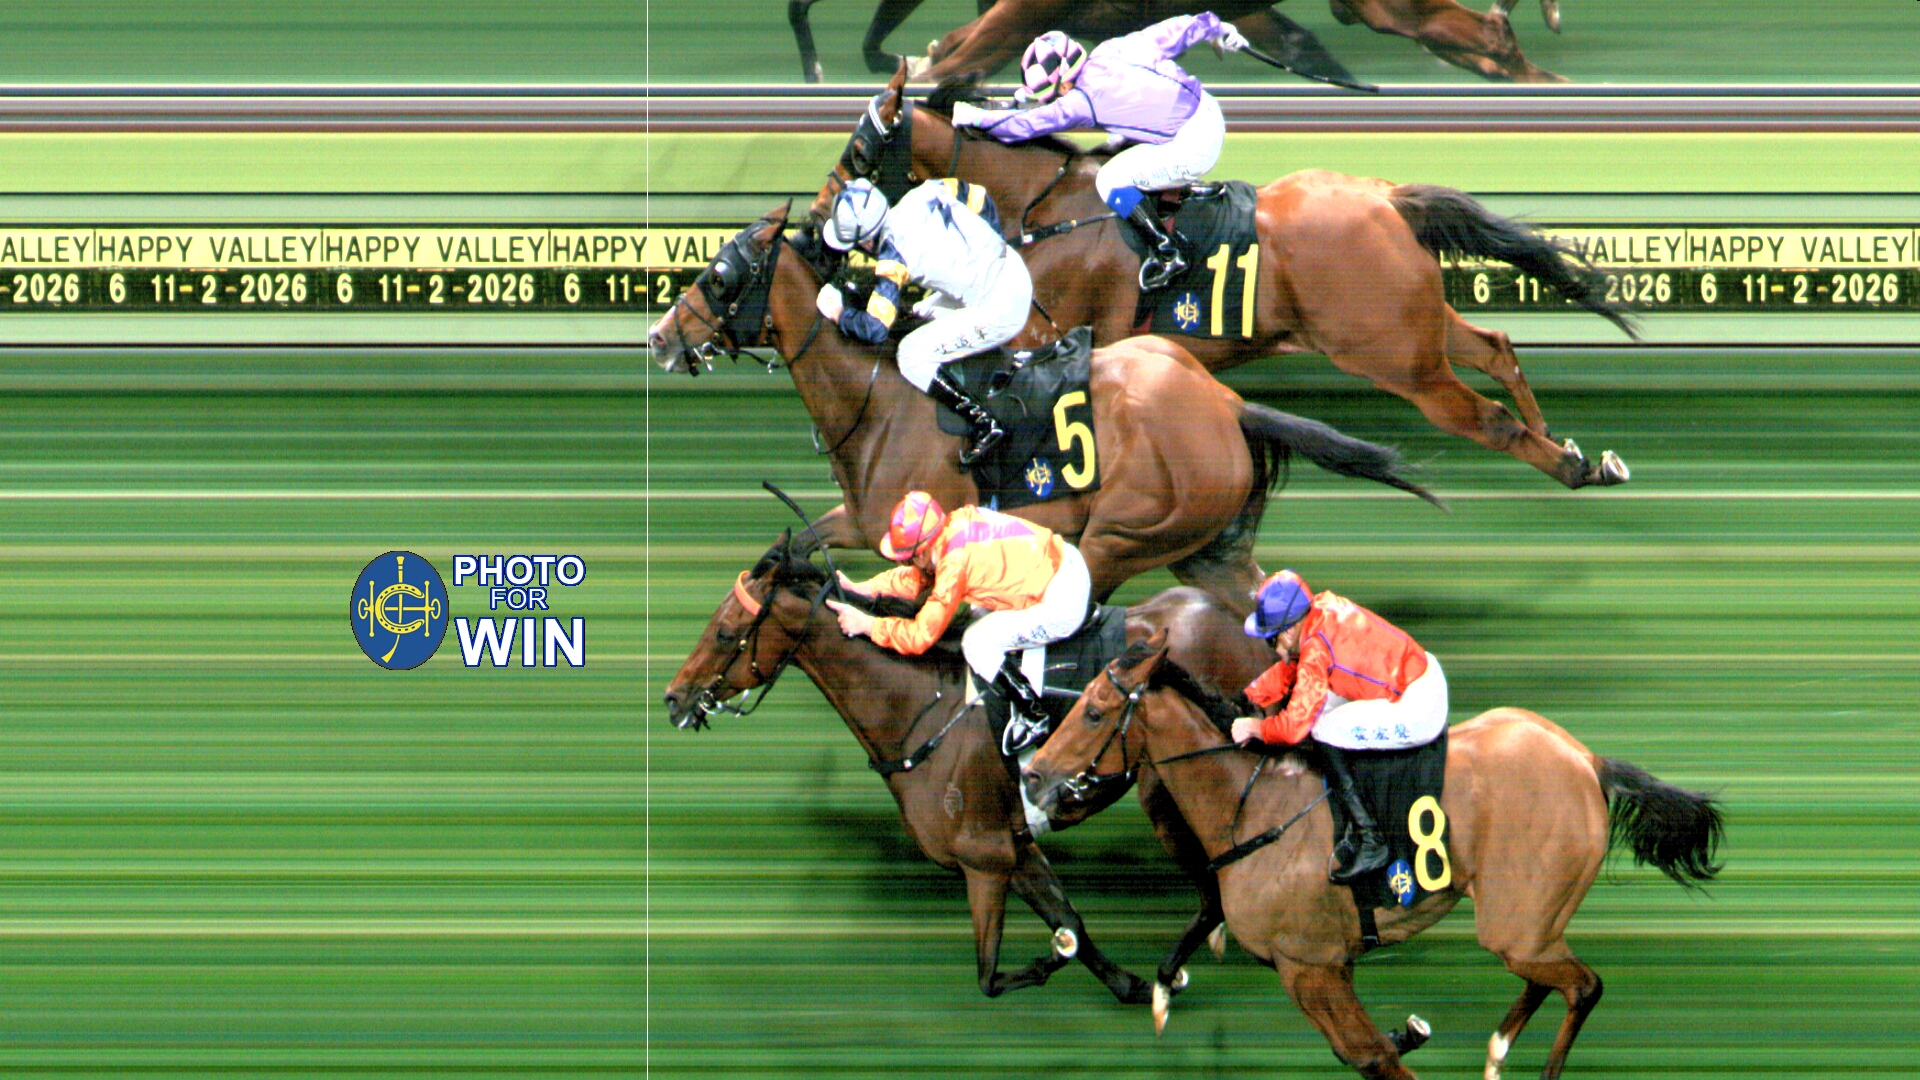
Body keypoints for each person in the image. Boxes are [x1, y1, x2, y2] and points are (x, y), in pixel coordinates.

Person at [947, 13, 1250, 290]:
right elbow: (1176, 29)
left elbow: (1026, 126)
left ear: (1064, 87)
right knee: (1114, 144)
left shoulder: (1081, 101)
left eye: (1051, 96)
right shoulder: (1112, 49)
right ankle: (1175, 193)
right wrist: (1216, 28)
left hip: (1195, 145)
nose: (1050, 101)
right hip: (1207, 109)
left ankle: (1168, 251)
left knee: (1109, 180)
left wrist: (975, 117)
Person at [827, 490, 1091, 758]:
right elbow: (918, 578)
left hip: (1063, 602)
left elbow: (920, 636)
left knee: (975, 642)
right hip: (1064, 561)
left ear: (922, 551)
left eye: (908, 557)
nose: (906, 562)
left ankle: (1034, 715)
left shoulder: (953, 564)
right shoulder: (952, 527)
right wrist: (864, 588)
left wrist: (867, 625)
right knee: (978, 612)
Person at [1229, 570, 1449, 885]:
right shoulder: (1318, 610)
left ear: (1288, 632)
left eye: (1270, 639)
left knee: (1323, 729)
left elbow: (1293, 727)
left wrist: (1256, 728)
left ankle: (1371, 838)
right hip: (1416, 674)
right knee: (1324, 710)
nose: (1271, 647)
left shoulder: (1315, 647)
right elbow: (1294, 670)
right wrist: (1251, 694)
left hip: (1420, 706)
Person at [817, 176, 1034, 465]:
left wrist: (837, 313)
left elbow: (875, 329)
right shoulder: (926, 190)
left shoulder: (892, 254)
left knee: (910, 355)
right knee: (919, 311)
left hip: (1003, 306)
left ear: (867, 241)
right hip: (1011, 265)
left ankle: (984, 423)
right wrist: (991, 243)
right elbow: (980, 197)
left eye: (857, 245)